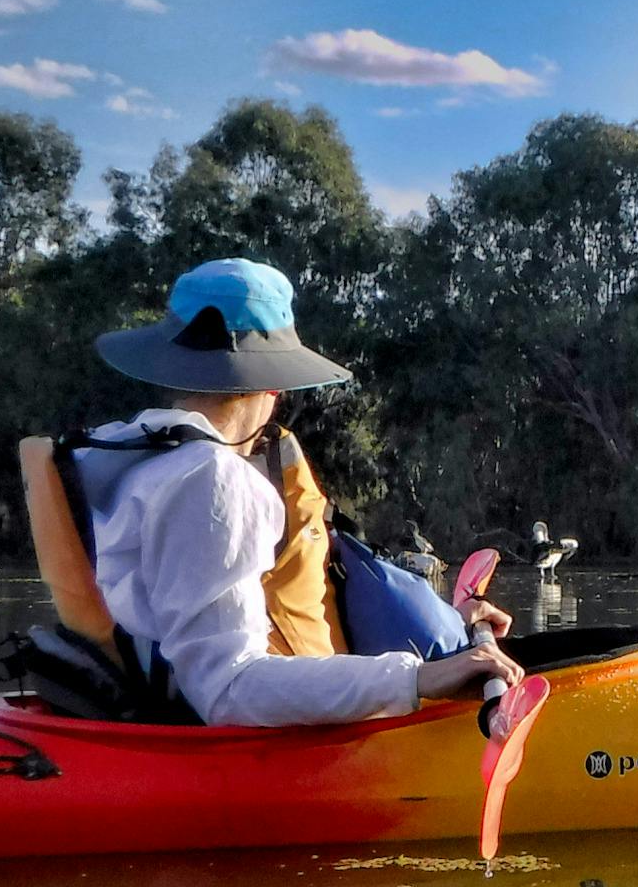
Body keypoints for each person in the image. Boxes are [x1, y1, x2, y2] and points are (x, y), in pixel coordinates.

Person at [83, 258, 521, 725]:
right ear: (273, 386)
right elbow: (229, 690)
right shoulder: (212, 479)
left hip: (141, 707)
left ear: (170, 366)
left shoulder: (111, 451)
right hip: (204, 743)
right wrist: (417, 679)